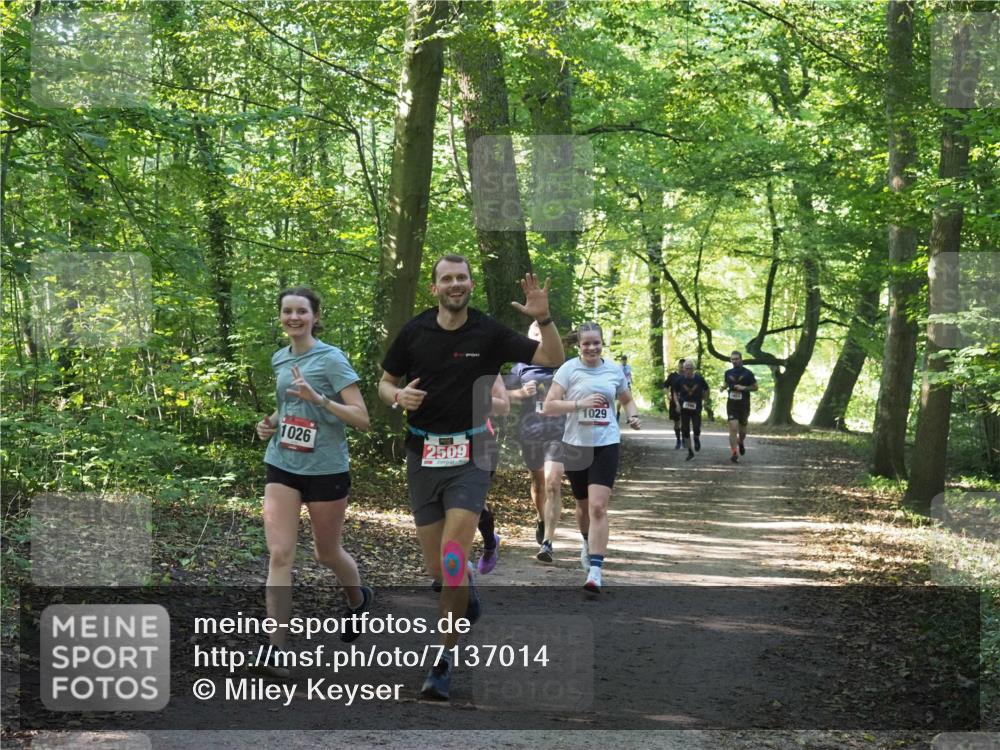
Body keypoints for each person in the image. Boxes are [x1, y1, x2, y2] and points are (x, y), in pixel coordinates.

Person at [379, 255, 564, 701]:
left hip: (472, 453)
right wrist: (397, 396)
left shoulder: (488, 332)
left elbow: (553, 357)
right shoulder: (414, 331)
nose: (455, 284)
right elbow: (384, 383)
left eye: (461, 277)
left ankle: (443, 661)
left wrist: (544, 318)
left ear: (471, 284)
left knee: (451, 559)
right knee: (439, 570)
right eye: (447, 279)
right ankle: (466, 593)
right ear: (434, 288)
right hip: (422, 454)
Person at [254, 287, 372, 677]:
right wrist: (270, 423)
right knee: (280, 555)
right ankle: (276, 649)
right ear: (280, 316)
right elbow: (288, 405)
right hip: (282, 463)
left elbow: (362, 417)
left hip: (325, 469)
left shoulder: (331, 359)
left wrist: (320, 399)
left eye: (301, 311)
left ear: (315, 316)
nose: (294, 317)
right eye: (287, 311)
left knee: (326, 553)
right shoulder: (280, 358)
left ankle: (357, 601)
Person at [543, 321, 640, 593]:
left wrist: (633, 415)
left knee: (598, 506)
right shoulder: (568, 369)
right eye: (586, 343)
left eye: (596, 342)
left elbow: (626, 399)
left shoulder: (614, 370)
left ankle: (596, 570)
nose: (591, 348)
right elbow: (549, 406)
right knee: (583, 506)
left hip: (606, 443)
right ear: (578, 345)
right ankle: (587, 541)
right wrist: (580, 404)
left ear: (602, 343)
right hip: (576, 445)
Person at [506, 322, 568, 564]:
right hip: (530, 431)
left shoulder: (563, 364)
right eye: (535, 334)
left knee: (553, 482)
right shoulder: (520, 367)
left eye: (542, 334)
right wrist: (520, 393)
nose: (539, 338)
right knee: (539, 483)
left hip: (558, 432)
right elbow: (501, 395)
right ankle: (542, 519)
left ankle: (548, 542)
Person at [475, 375, 510, 574]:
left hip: (480, 444)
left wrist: (470, 397)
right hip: (439, 444)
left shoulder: (483, 363)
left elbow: (504, 404)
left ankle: (489, 545)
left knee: (473, 501)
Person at [723, 350, 758, 463]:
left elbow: (755, 387)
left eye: (736, 359)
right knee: (733, 428)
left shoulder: (748, 373)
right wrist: (723, 387)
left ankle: (740, 441)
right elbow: (727, 383)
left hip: (744, 405)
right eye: (732, 359)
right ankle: (734, 452)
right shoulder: (728, 373)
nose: (734, 361)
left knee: (742, 431)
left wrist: (744, 388)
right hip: (732, 404)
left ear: (741, 359)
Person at [673, 360, 709, 461]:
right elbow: (674, 392)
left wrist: (705, 400)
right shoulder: (679, 380)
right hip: (684, 408)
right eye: (686, 368)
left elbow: (706, 389)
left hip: (696, 407)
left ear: (693, 369)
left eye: (690, 368)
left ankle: (696, 438)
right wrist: (677, 404)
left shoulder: (699, 379)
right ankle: (690, 451)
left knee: (696, 427)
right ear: (683, 369)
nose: (688, 370)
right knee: (685, 430)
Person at [663, 358, 686, 449]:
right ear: (678, 366)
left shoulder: (688, 376)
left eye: (683, 367)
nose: (682, 368)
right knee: (676, 423)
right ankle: (678, 440)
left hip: (686, 403)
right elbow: (665, 386)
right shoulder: (672, 376)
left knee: (684, 422)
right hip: (674, 403)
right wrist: (668, 394)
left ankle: (684, 440)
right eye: (681, 366)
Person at [616, 354, 633, 420]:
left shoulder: (628, 367)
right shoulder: (618, 367)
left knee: (628, 400)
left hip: (627, 384)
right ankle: (618, 412)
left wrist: (631, 380)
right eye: (623, 360)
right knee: (620, 402)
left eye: (625, 360)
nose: (624, 361)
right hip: (620, 385)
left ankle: (628, 416)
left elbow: (629, 374)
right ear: (621, 361)